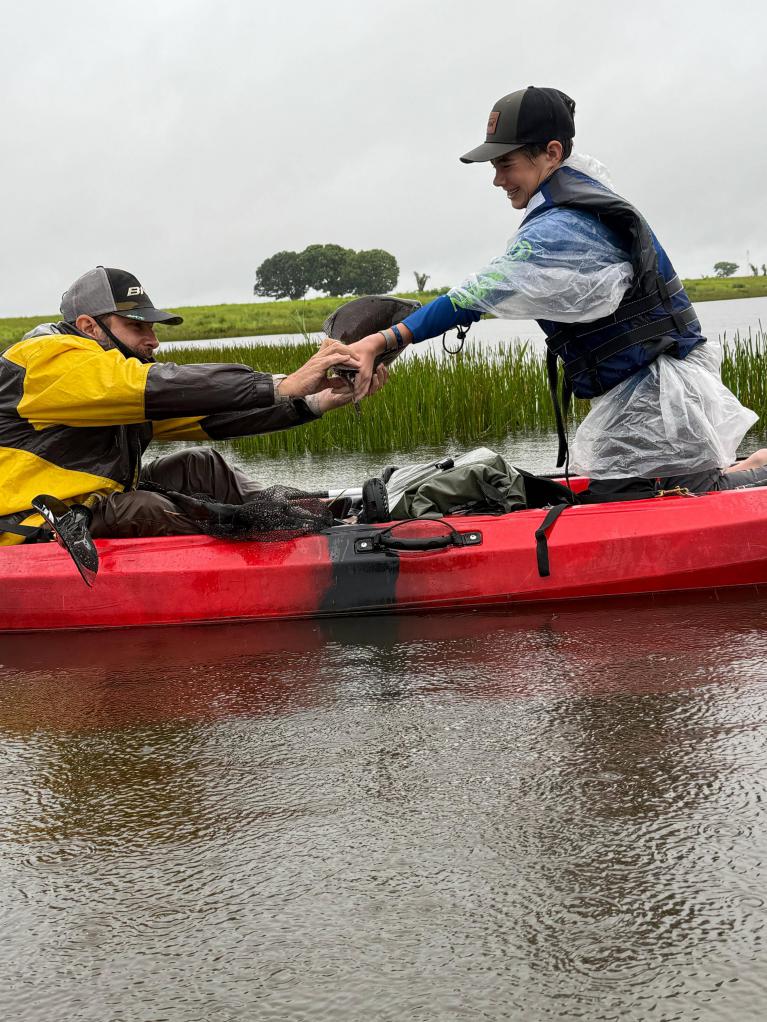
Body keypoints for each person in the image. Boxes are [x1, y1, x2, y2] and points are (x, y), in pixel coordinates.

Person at [342, 86, 767, 496]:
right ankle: (748, 468)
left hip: (664, 397)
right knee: (628, 491)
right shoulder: (574, 196)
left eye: (505, 164)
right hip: (648, 390)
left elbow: (473, 295)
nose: (496, 179)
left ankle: (753, 473)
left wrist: (382, 340)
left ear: (552, 153)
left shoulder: (563, 227)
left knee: (662, 497)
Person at [0, 266, 385, 544]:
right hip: (35, 527)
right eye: (137, 327)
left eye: (151, 327)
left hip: (91, 508)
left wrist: (314, 400)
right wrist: (282, 383)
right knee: (142, 507)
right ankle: (277, 541)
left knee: (200, 464)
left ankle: (312, 524)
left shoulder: (111, 382)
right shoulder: (46, 358)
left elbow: (207, 415)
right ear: (88, 327)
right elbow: (153, 386)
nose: (153, 341)